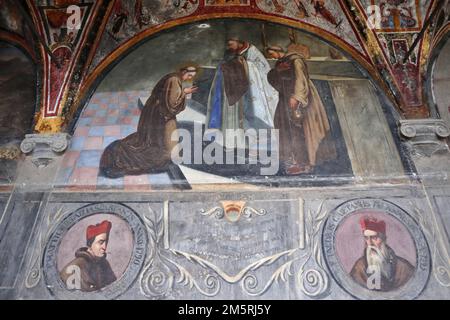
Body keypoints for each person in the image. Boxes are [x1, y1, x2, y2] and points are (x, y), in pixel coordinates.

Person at [100, 66, 198, 179]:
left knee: (156, 141)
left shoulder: (173, 77)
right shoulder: (174, 80)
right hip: (161, 114)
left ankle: (124, 151)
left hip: (156, 111)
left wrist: (182, 93)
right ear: (184, 71)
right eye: (189, 76)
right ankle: (122, 154)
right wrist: (184, 93)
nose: (189, 78)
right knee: (160, 148)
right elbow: (171, 105)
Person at [266, 45, 331, 174]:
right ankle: (293, 160)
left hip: (301, 97)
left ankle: (306, 164)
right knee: (285, 127)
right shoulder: (280, 63)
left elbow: (301, 80)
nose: (271, 57)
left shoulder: (296, 60)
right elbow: (272, 79)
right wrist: (276, 71)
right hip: (285, 97)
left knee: (302, 130)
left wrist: (296, 97)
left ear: (278, 52)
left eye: (271, 53)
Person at [206, 37, 278, 148]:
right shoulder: (230, 54)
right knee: (241, 112)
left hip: (254, 86)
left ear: (238, 42)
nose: (229, 47)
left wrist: (246, 65)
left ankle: (259, 135)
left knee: (254, 110)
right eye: (228, 44)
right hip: (239, 86)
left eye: (231, 44)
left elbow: (263, 66)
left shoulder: (251, 50)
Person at [350, 216, 415, 292]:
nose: (370, 243)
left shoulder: (403, 267)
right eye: (366, 238)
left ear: (384, 239)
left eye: (374, 237)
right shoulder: (359, 267)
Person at [60, 220, 117, 292]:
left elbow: (114, 288)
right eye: (101, 242)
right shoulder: (76, 267)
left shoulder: (104, 263)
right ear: (90, 244)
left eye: (106, 242)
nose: (104, 247)